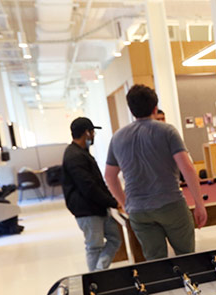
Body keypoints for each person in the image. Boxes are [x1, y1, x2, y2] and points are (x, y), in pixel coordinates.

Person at [104, 85, 206, 261]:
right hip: (171, 205)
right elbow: (187, 169)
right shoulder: (167, 131)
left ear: (131, 109)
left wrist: (125, 204)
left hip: (138, 210)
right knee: (186, 256)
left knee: (155, 261)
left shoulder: (118, 137)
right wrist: (199, 204)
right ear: (155, 108)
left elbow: (109, 176)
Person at [61, 117, 123, 271]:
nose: (94, 135)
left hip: (98, 207)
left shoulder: (81, 153)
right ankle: (95, 279)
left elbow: (96, 183)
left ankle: (99, 272)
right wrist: (113, 202)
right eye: (92, 132)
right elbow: (88, 187)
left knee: (114, 239)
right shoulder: (74, 156)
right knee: (94, 247)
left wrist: (111, 200)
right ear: (86, 133)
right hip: (87, 211)